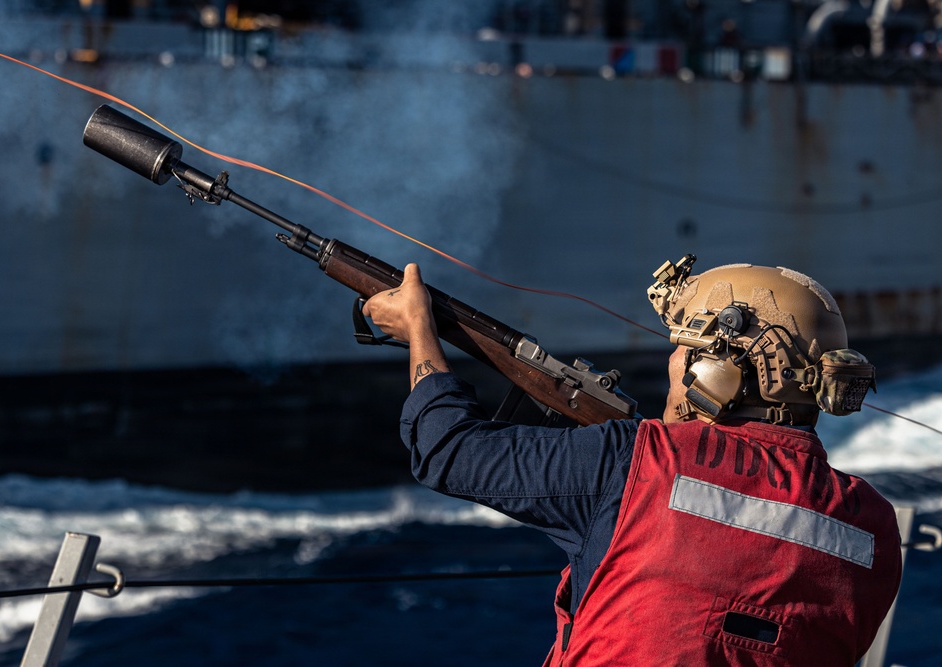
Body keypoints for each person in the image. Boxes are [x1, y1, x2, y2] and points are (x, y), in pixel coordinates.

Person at [362, 259, 903, 666]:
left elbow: (447, 449)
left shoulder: (634, 462)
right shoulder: (874, 528)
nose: (672, 361)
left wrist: (419, 330)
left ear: (718, 374)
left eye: (683, 346)